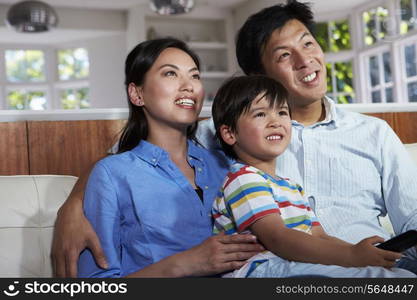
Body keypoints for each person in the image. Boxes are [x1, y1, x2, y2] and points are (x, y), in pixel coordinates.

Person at [52, 0, 417, 277]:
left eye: (308, 44)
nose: (305, 61)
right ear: (259, 75)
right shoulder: (224, 138)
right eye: (284, 55)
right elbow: (122, 158)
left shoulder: (373, 133)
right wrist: (71, 207)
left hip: (368, 261)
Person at [75, 38, 263, 277]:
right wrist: (184, 264)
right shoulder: (112, 173)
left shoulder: (227, 165)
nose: (189, 86)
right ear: (137, 94)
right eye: (170, 74)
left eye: (194, 76)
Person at [210, 75, 414, 278]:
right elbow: (277, 238)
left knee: (398, 274)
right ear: (230, 134)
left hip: (293, 264)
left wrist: (362, 253)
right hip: (262, 269)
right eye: (260, 114)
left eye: (282, 112)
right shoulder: (243, 179)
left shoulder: (290, 186)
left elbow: (320, 236)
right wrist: (351, 256)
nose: (275, 122)